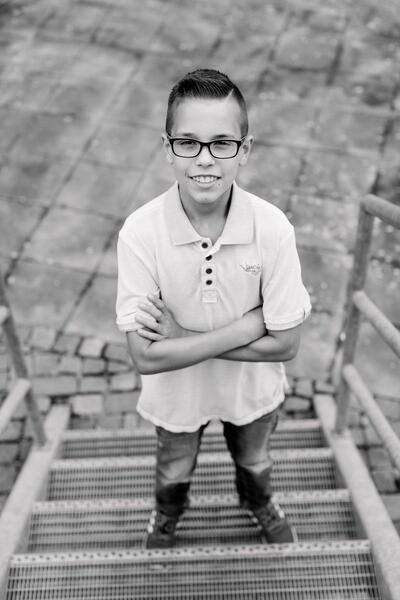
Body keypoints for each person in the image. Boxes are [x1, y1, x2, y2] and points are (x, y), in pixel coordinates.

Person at [116, 68, 311, 549]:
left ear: (245, 149)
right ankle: (168, 514)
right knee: (173, 467)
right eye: (188, 143)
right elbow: (145, 357)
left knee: (255, 461)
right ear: (168, 147)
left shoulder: (272, 229)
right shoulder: (141, 233)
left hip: (251, 391)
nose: (205, 159)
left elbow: (285, 345)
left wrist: (183, 339)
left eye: (222, 143)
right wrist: (248, 327)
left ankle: (258, 502)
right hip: (175, 397)